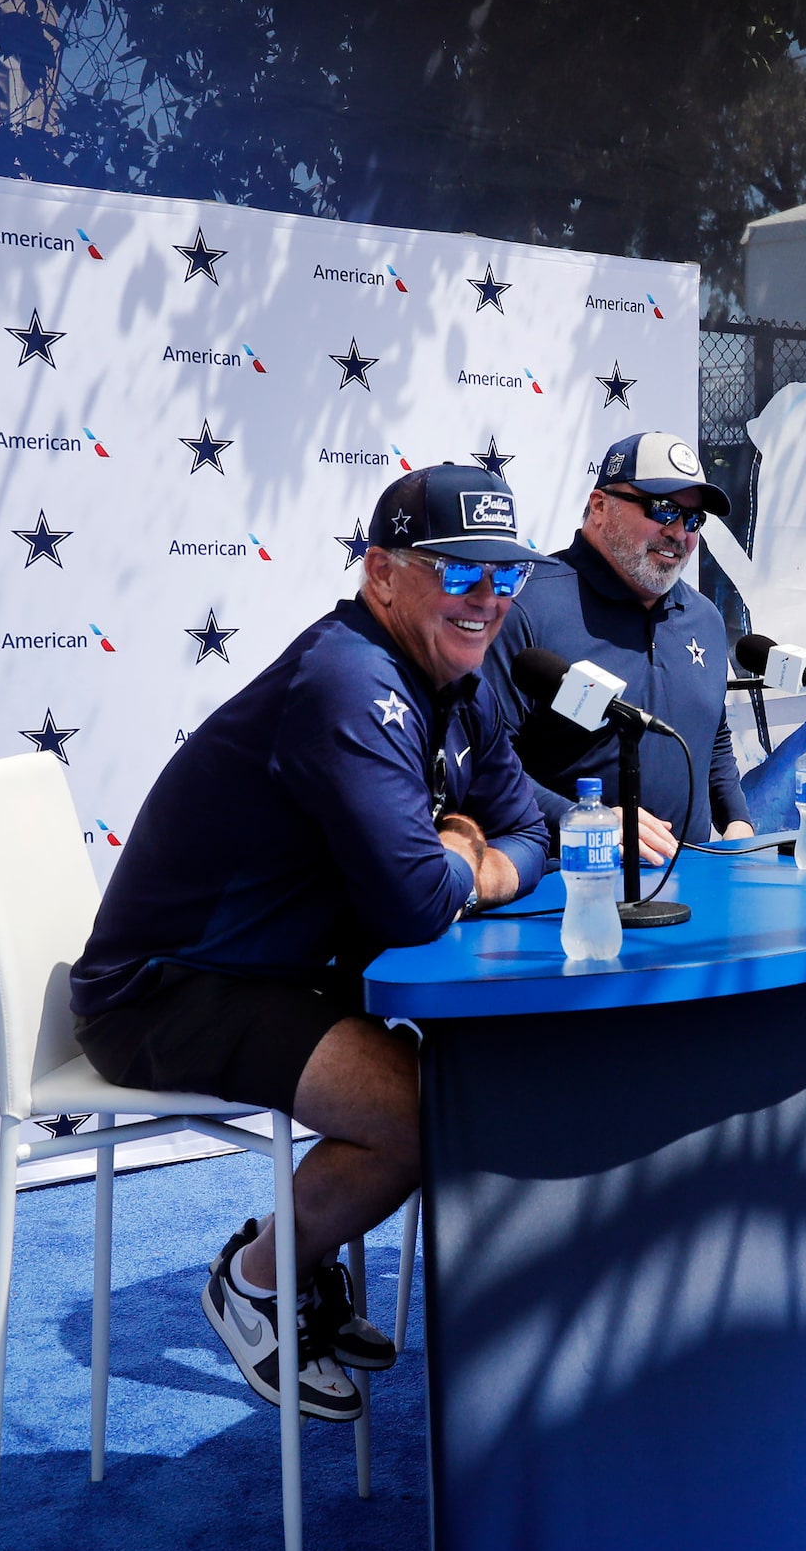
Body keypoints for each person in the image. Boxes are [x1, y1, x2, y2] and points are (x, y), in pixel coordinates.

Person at [68, 464, 549, 1424]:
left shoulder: (463, 671)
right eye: (460, 575)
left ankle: (303, 1260)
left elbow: (526, 825)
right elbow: (416, 902)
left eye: (506, 577)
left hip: (282, 976)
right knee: (421, 1112)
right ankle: (252, 1281)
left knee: (466, 1081)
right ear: (381, 574)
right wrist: (467, 853)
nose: (488, 602)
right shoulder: (346, 679)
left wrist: (477, 856)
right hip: (164, 989)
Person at [481, 432, 756, 862]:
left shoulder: (703, 616)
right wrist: (585, 821)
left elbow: (711, 734)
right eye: (662, 508)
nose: (678, 532)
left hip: (699, 888)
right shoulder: (525, 607)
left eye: (693, 519)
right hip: (568, 890)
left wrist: (737, 819)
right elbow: (483, 760)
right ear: (599, 507)